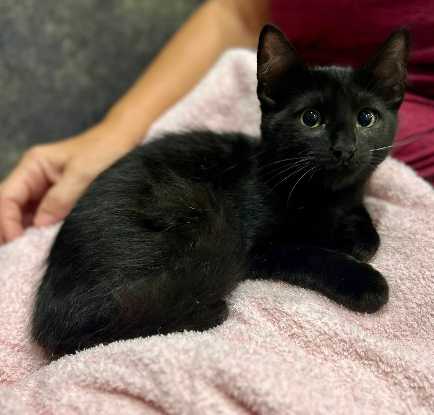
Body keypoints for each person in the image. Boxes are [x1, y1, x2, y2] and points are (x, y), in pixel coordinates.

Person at [0, 0, 432, 245]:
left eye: (365, 119)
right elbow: (239, 13)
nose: (345, 145)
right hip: (278, 147)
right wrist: (115, 131)